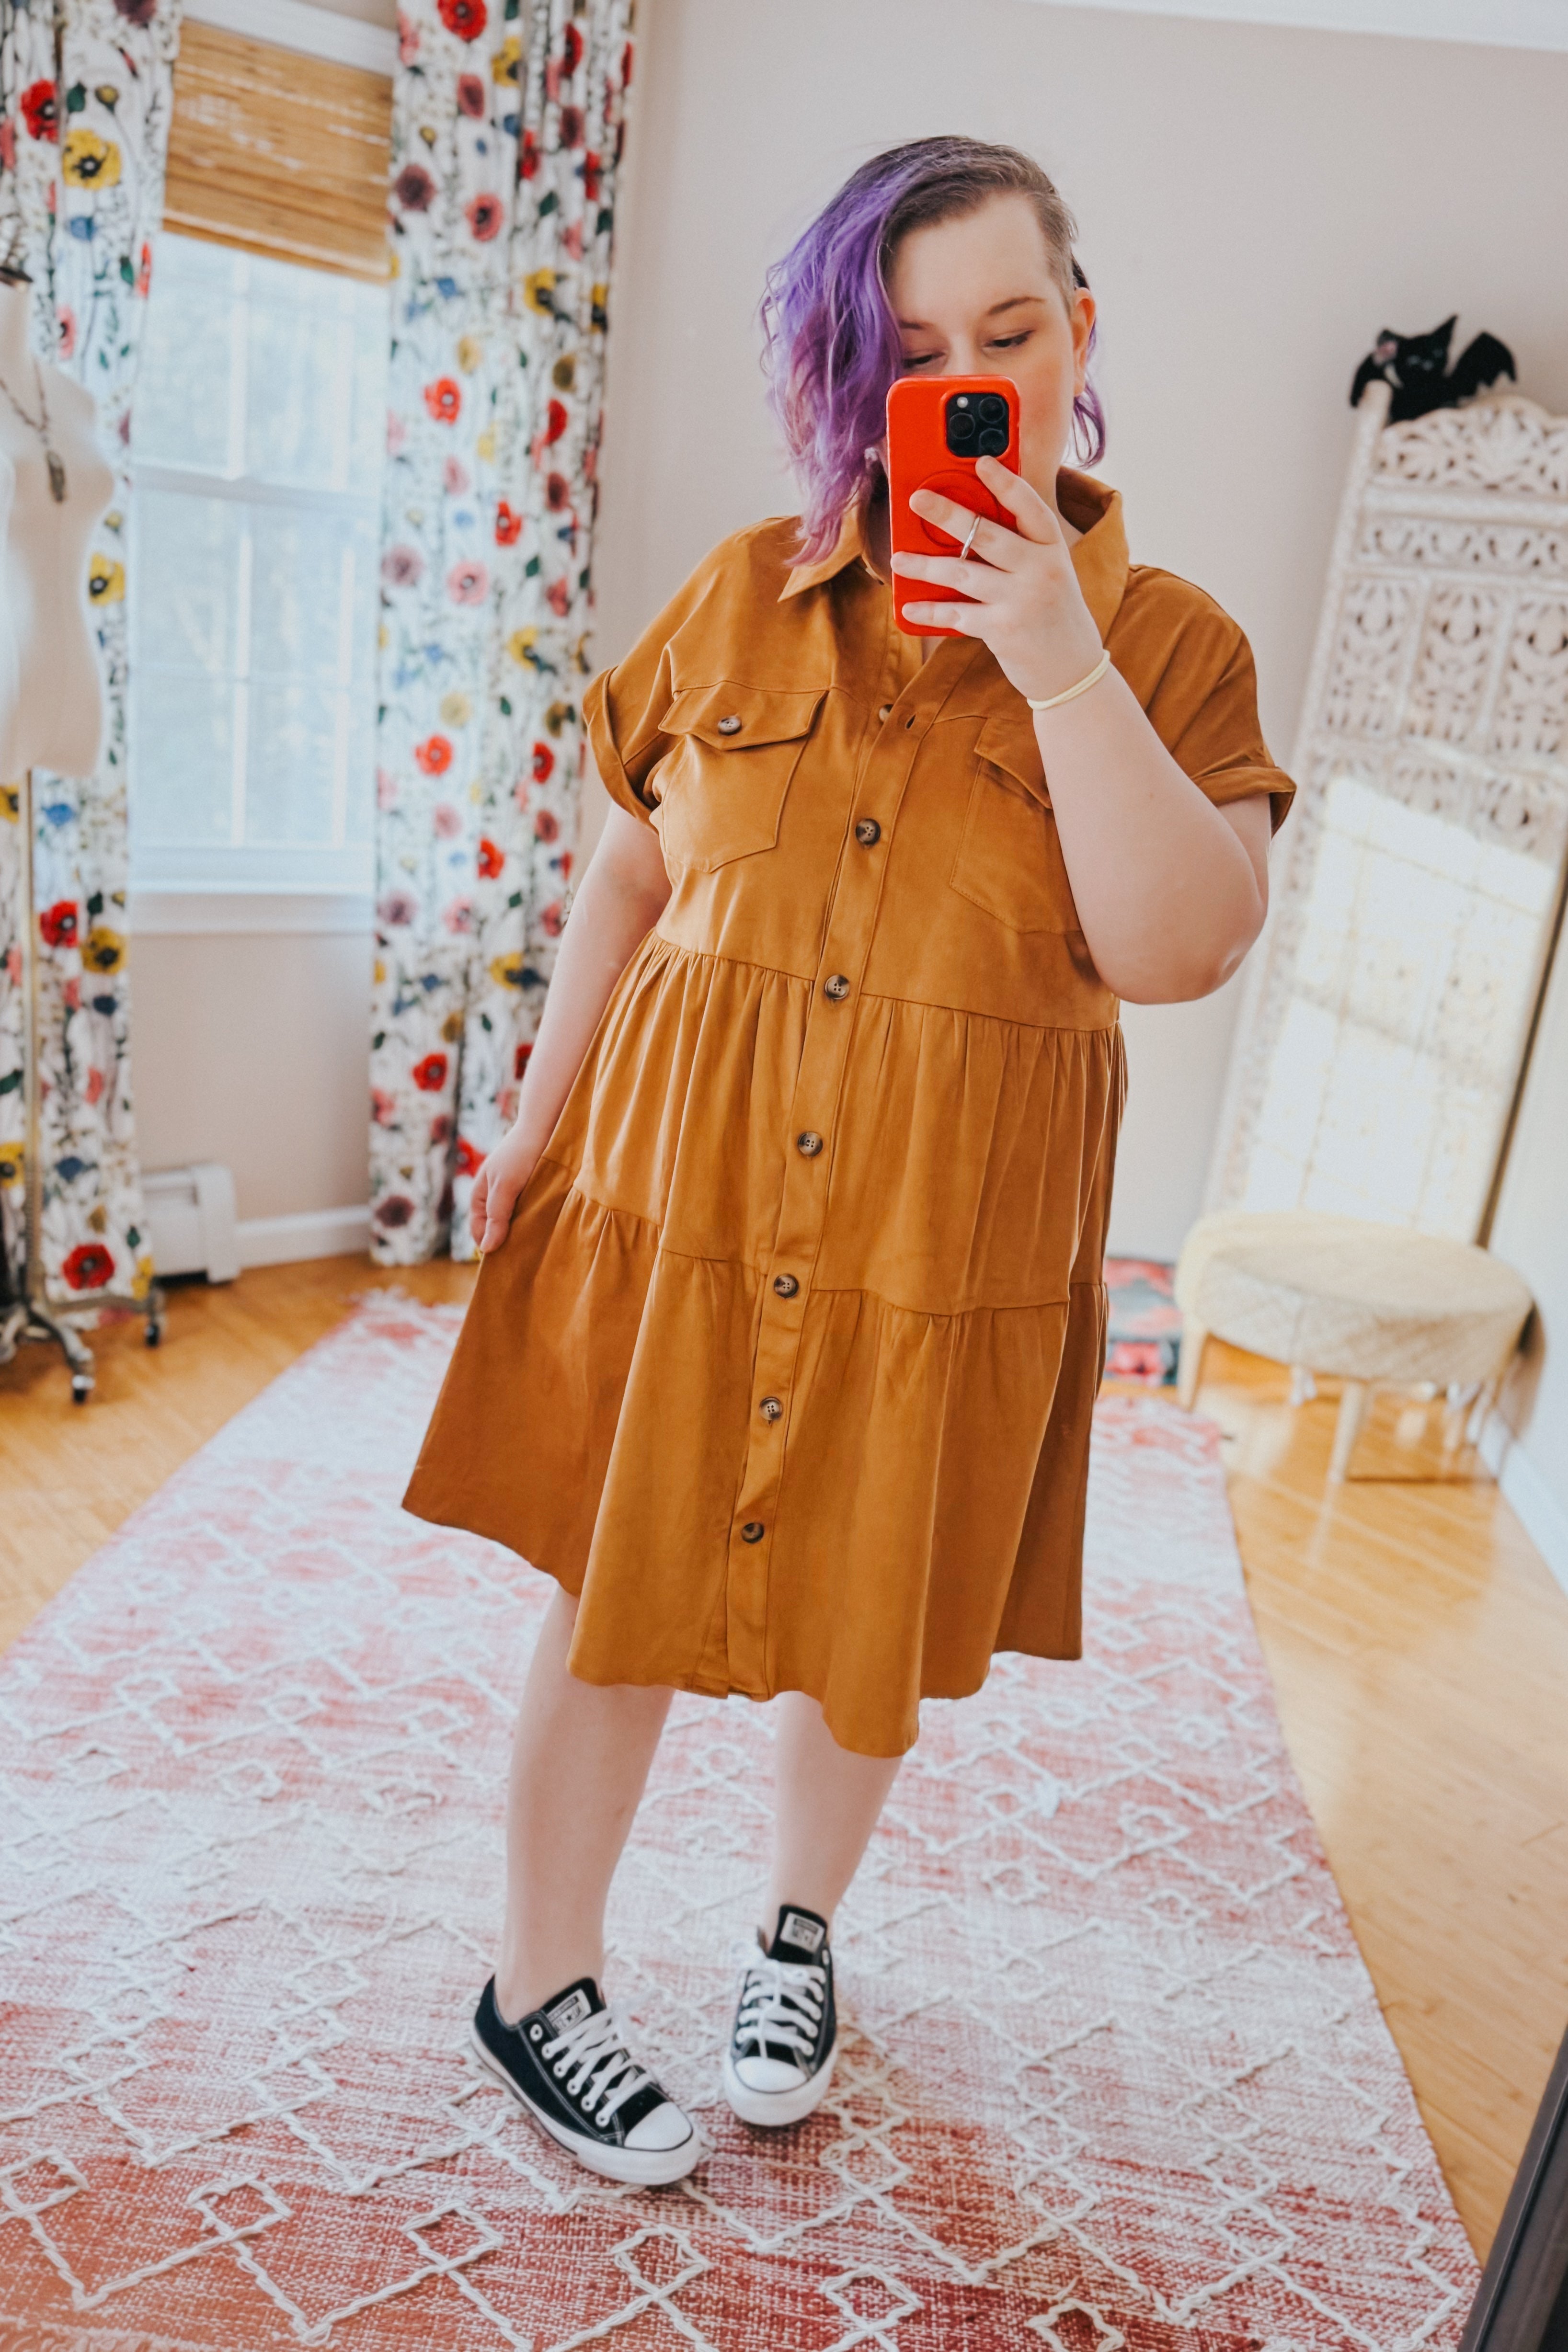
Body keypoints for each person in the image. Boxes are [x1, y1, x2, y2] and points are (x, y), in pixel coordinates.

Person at [402, 136, 1294, 2186]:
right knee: (616, 1595)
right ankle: (536, 1983)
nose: (967, 376)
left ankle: (798, 1934)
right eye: (910, 351)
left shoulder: (1174, 649)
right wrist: (533, 1116)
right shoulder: (739, 594)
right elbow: (630, 862)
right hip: (685, 1198)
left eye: (1011, 328)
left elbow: (1184, 945)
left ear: (1083, 335)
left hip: (938, 1243)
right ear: (844, 373)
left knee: (871, 1594)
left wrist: (1058, 651)